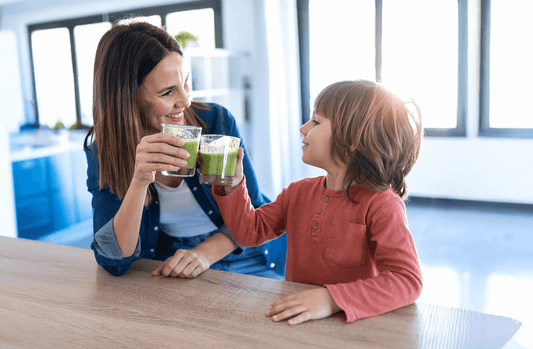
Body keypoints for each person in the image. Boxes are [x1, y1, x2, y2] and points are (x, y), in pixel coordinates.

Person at [83, 21, 286, 279]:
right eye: (168, 92)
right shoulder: (104, 152)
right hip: (173, 257)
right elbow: (112, 261)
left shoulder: (215, 120)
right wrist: (139, 182)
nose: (185, 101)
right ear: (127, 98)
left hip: (238, 248)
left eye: (186, 82)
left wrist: (204, 253)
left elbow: (254, 209)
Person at [214, 80, 424, 325]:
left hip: (353, 324)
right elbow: (249, 232)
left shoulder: (382, 204)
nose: (303, 128)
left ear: (353, 138)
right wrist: (233, 184)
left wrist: (331, 299)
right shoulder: (297, 192)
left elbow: (407, 280)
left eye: (316, 121)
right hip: (296, 318)